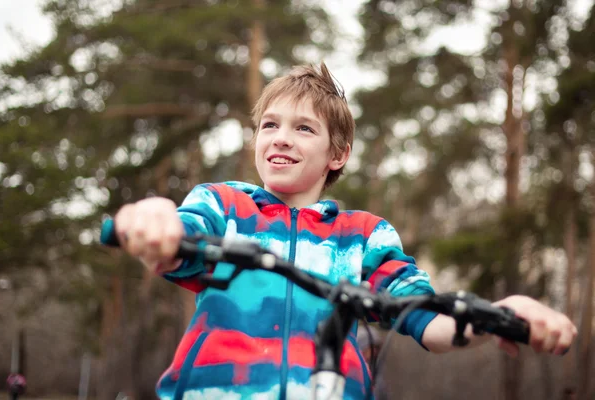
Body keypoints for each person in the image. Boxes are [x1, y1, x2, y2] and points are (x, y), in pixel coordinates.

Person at [111, 63, 577, 400]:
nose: (281, 137)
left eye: (304, 128)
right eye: (269, 125)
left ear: (338, 154)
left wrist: (502, 311)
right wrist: (156, 219)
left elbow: (429, 321)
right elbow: (177, 241)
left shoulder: (363, 237)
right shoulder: (224, 205)